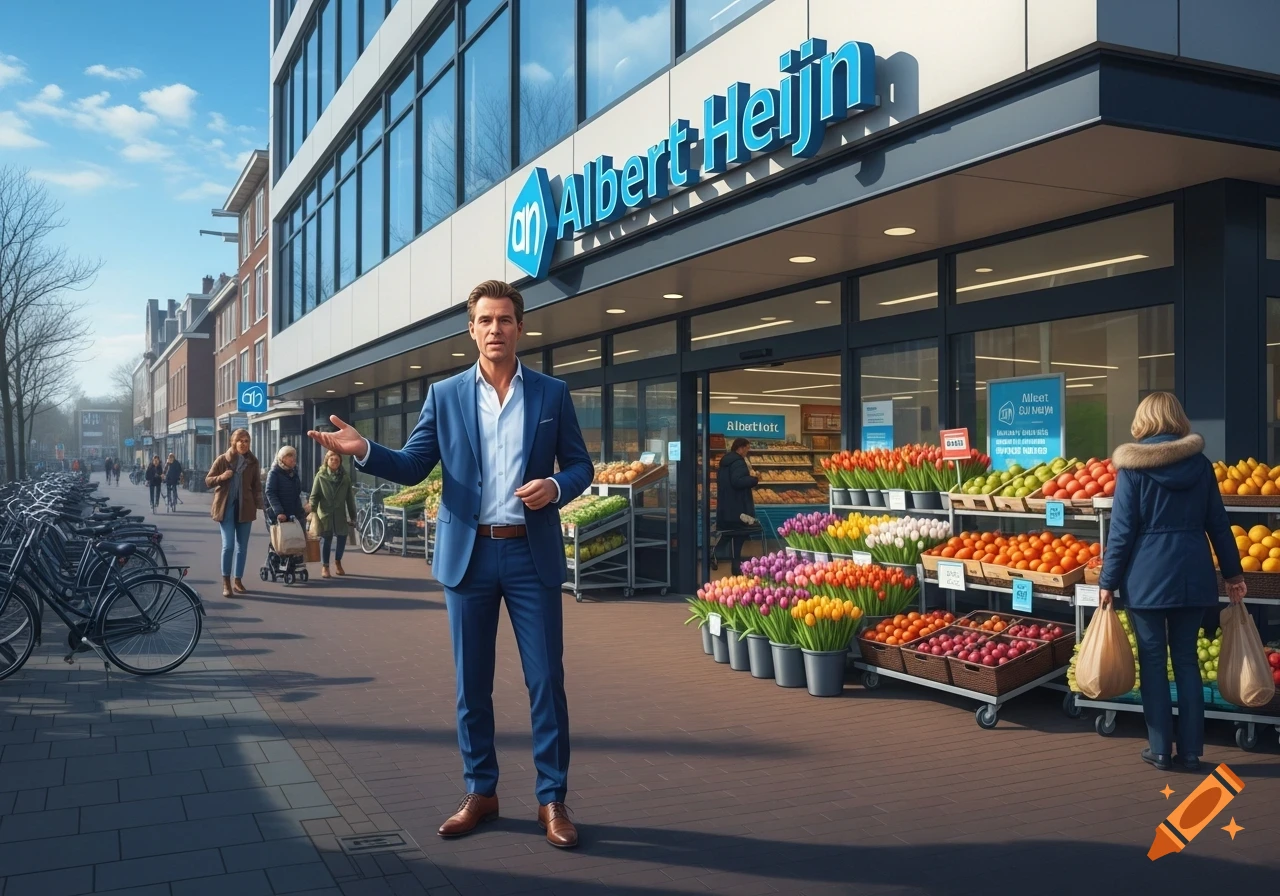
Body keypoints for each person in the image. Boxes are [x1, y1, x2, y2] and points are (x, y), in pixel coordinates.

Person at [308, 280, 594, 849]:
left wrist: (557, 486)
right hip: (469, 556)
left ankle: (552, 798)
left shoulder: (551, 394)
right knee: (472, 686)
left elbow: (582, 465)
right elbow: (415, 465)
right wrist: (363, 450)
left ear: (520, 327)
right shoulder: (445, 395)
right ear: (471, 329)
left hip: (530, 553)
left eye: (505, 320)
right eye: (485, 320)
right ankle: (480, 791)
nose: (495, 329)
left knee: (546, 682)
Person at [1100, 391, 1247, 773]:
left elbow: (1121, 532)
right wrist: (1233, 574)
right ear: (1178, 419)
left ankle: (1160, 749)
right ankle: (1193, 751)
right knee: (1186, 662)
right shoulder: (1200, 466)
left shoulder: (1132, 469)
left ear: (1142, 420)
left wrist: (1107, 581)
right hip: (1194, 575)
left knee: (1152, 662)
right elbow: (1219, 523)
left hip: (1146, 579)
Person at [206, 429, 264, 597]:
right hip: (226, 508)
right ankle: (226, 582)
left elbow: (256, 486)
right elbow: (208, 480)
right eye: (240, 440)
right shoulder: (223, 460)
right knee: (229, 545)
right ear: (233, 442)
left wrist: (261, 506)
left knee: (242, 547)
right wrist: (222, 477)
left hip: (245, 508)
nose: (243, 444)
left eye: (246, 441)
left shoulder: (253, 462)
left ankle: (237, 580)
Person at [310, 450, 357, 578]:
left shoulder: (345, 478)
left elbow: (349, 498)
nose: (334, 462)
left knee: (342, 538)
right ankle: (325, 566)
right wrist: (312, 511)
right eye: (332, 459)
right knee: (327, 540)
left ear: (340, 462)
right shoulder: (320, 476)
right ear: (327, 460)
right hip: (325, 513)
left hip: (340, 514)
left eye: (337, 460)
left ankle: (338, 562)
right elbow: (314, 496)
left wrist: (353, 516)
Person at [717, 438, 760, 576]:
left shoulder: (725, 462)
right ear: (740, 448)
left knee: (729, 534)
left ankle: (715, 556)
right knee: (739, 535)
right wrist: (754, 479)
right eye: (747, 448)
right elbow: (737, 482)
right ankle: (735, 567)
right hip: (738, 507)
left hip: (726, 506)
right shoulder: (739, 462)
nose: (747, 451)